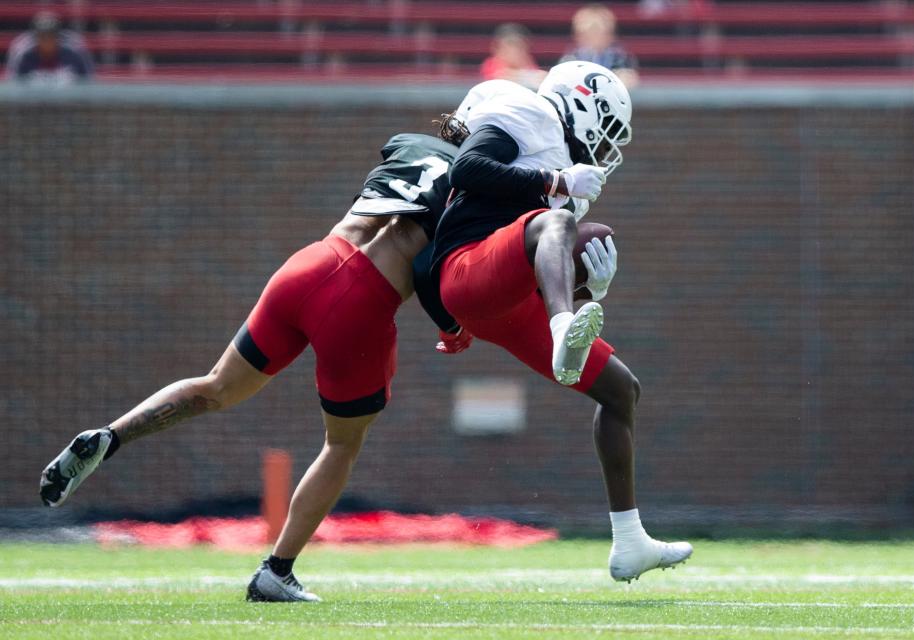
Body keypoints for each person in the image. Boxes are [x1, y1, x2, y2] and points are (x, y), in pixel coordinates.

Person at [39, 132, 470, 602]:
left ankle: (111, 435)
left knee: (218, 385)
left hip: (312, 262)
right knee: (342, 443)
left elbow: (392, 169)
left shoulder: (409, 143)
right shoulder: (479, 178)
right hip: (364, 299)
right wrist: (451, 325)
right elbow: (430, 268)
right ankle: (276, 572)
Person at [432, 62, 692, 582]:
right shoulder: (527, 114)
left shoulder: (556, 161)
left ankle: (629, 541)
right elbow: (467, 169)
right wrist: (554, 180)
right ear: (582, 105)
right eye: (608, 130)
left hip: (504, 296)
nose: (606, 148)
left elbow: (530, 256)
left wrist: (589, 290)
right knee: (559, 221)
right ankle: (560, 329)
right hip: (464, 268)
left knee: (621, 389)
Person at [560, 4, 638, 88]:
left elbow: (630, 81)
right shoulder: (570, 59)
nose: (594, 38)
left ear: (610, 35)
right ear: (577, 36)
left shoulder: (621, 58)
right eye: (588, 33)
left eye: (598, 33)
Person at [5, 11, 95, 84]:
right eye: (42, 36)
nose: (47, 40)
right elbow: (13, 84)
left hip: (68, 102)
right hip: (31, 102)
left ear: (58, 36)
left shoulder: (74, 49)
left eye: (51, 35)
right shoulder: (23, 51)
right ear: (35, 37)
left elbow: (88, 81)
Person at [480, 23, 546, 89]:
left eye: (519, 46)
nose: (514, 51)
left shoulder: (526, 62)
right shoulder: (490, 63)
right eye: (509, 45)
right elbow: (500, 77)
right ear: (497, 48)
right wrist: (529, 77)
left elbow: (541, 78)